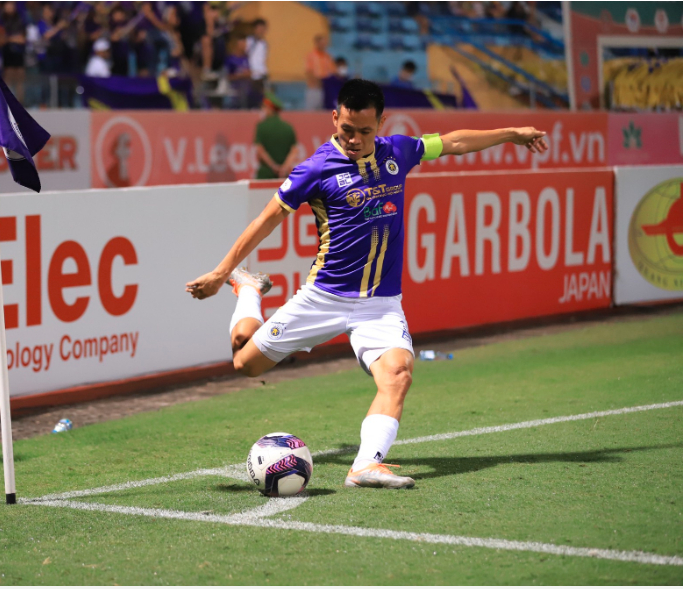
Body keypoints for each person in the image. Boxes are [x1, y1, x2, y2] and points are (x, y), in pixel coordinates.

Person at [186, 79, 548, 489]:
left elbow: (454, 142)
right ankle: (248, 289)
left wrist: (512, 134)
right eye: (347, 130)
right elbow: (266, 220)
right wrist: (221, 273)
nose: (355, 140)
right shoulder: (316, 169)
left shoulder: (399, 151)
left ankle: (364, 466)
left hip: (381, 303)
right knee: (244, 363)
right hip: (323, 298)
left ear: (381, 123)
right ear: (335, 118)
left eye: (365, 131)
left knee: (398, 374)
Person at [252, 92, 298, 180]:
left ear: (269, 108)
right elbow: (294, 151)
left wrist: (273, 166)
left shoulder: (261, 126)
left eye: (264, 107)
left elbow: (260, 150)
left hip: (265, 174)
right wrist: (284, 167)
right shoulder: (288, 127)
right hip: (283, 176)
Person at [304, 33, 335, 111]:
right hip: (314, 88)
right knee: (311, 112)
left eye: (325, 43)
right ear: (317, 43)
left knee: (323, 112)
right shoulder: (311, 56)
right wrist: (318, 82)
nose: (324, 45)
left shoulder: (328, 57)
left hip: (326, 89)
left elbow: (332, 72)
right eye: (322, 43)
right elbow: (309, 72)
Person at [245, 18, 268, 108]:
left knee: (261, 101)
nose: (261, 31)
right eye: (259, 28)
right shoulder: (249, 41)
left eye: (263, 29)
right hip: (250, 75)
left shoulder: (264, 44)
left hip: (261, 75)